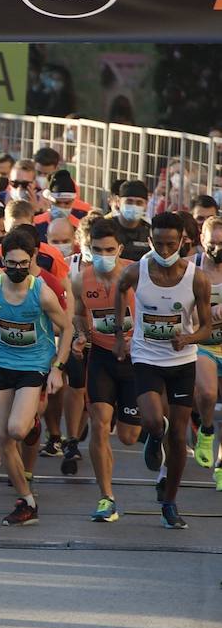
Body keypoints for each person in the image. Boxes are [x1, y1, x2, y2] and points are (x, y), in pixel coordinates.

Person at [113, 212, 213, 529]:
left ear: (184, 241)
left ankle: (169, 502)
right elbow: (119, 290)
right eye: (159, 243)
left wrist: (189, 337)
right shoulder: (136, 271)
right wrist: (120, 335)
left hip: (181, 361)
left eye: (172, 244)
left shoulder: (196, 278)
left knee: (179, 434)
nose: (165, 250)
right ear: (150, 240)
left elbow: (207, 326)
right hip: (146, 356)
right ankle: (154, 435)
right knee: (154, 420)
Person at [0, 228, 74, 527]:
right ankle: (27, 502)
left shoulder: (40, 291)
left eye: (22, 264)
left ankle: (32, 422)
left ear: (32, 260)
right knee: (3, 437)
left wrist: (58, 366)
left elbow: (67, 328)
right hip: (0, 364)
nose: (16, 269)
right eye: (10, 264)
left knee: (16, 429)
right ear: (2, 260)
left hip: (33, 366)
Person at [74, 218, 138, 522]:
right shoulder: (81, 279)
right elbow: (76, 313)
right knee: (99, 424)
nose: (103, 255)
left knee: (128, 436)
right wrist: (81, 334)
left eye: (109, 249)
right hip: (101, 357)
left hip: (134, 358)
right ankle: (106, 497)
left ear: (120, 249)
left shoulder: (137, 274)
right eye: (97, 249)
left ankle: (154, 429)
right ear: (89, 248)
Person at [193, 216, 222, 489]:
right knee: (208, 392)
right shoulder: (191, 267)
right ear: (202, 240)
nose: (217, 249)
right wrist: (206, 313)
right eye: (212, 243)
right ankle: (207, 428)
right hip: (203, 343)